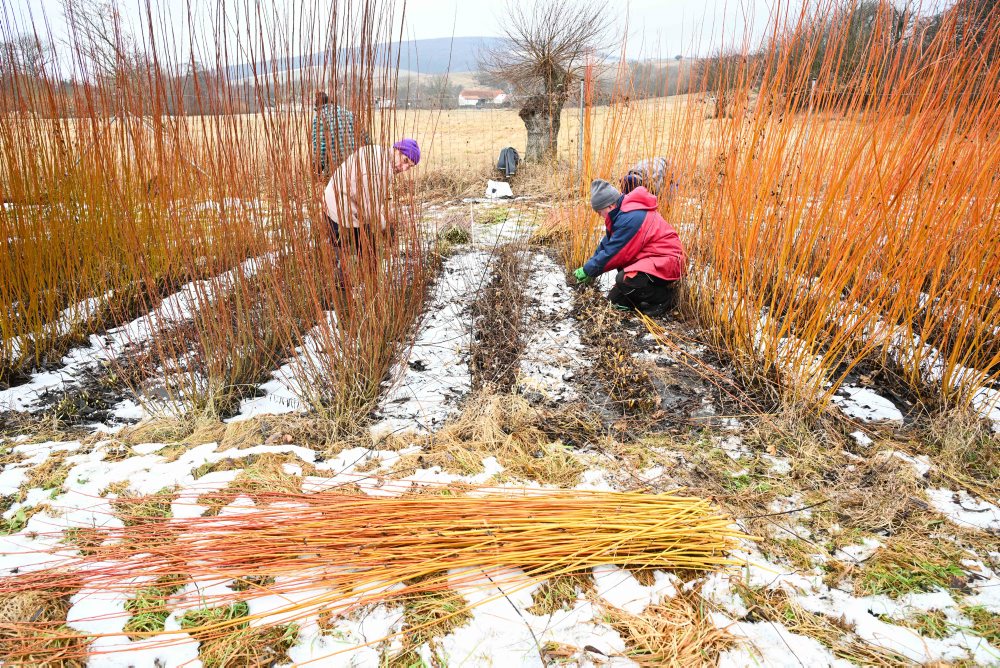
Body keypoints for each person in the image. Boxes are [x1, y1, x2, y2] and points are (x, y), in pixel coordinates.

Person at [573, 179, 686, 317]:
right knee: (615, 302)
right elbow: (607, 244)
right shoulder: (621, 213)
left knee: (625, 279)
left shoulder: (631, 217)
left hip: (668, 262)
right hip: (651, 260)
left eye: (599, 212)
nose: (599, 216)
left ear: (609, 206)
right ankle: (643, 296)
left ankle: (664, 298)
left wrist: (589, 271)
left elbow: (615, 253)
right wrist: (589, 266)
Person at [323, 138, 420, 250]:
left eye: (409, 167)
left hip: (336, 201)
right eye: (405, 161)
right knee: (367, 255)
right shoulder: (380, 170)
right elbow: (371, 210)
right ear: (396, 150)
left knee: (360, 251)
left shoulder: (377, 151)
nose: (403, 168)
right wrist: (386, 229)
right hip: (340, 211)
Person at [312, 91, 371, 176]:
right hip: (358, 162)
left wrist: (317, 168)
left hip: (339, 169)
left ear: (317, 106)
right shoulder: (349, 114)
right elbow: (365, 138)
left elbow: (321, 146)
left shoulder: (320, 118)